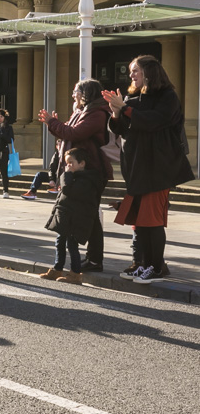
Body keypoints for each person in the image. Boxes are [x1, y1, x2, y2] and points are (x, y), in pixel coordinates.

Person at [104, 55, 194, 283]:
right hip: (137, 167)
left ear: (150, 72)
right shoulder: (132, 97)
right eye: (131, 71)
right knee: (139, 221)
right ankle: (143, 264)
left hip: (158, 168)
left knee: (151, 220)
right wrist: (115, 111)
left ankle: (155, 268)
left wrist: (125, 108)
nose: (131, 74)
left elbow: (155, 120)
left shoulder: (167, 96)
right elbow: (121, 128)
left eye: (136, 70)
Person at [34, 79, 113, 270]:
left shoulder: (97, 113)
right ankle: (92, 259)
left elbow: (74, 133)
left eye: (76, 91)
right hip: (78, 171)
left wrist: (53, 122)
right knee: (90, 215)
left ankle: (94, 260)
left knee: (91, 215)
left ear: (86, 93)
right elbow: (66, 133)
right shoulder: (82, 111)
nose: (73, 95)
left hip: (90, 172)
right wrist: (51, 124)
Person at [41, 148, 104, 284]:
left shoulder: (86, 179)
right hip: (65, 216)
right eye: (66, 163)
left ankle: (75, 273)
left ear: (82, 163)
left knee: (72, 245)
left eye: (71, 162)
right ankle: (57, 268)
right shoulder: (73, 177)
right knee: (59, 243)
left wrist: (65, 176)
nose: (68, 166)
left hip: (76, 219)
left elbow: (68, 191)